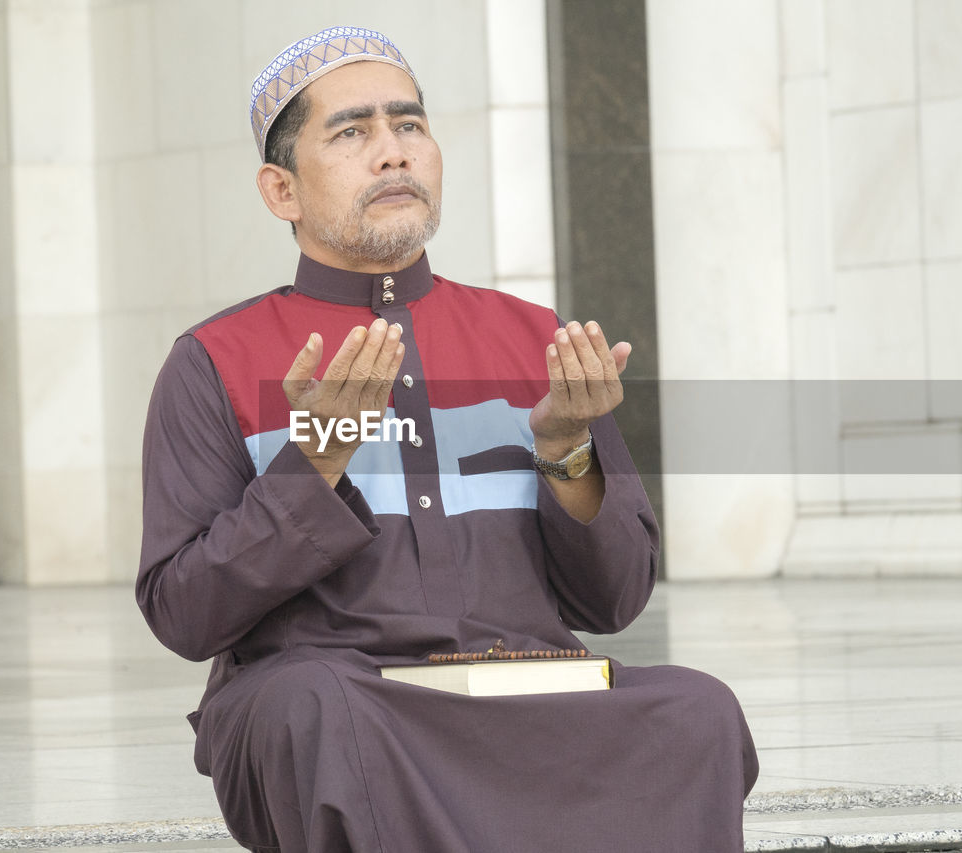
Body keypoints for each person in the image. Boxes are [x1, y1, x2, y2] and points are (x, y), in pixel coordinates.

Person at [137, 26, 758, 853]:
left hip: (527, 690)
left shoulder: (535, 341)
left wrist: (567, 448)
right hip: (342, 691)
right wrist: (315, 457)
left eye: (410, 125)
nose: (392, 153)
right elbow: (184, 612)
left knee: (697, 708)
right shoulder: (214, 361)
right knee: (320, 711)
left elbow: (615, 601)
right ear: (280, 190)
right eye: (352, 132)